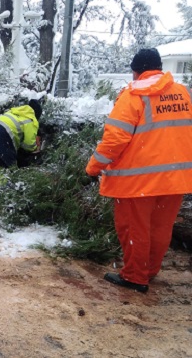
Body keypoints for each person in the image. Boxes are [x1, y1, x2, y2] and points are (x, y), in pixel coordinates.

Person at [86, 48, 192, 293]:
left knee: (135, 229)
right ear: (159, 68)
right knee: (160, 229)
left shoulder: (134, 95)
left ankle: (135, 276)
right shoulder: (184, 94)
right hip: (176, 178)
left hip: (137, 182)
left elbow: (113, 141)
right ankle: (149, 271)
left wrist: (92, 168)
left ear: (136, 71)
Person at [0, 99, 42, 167]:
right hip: (0, 141)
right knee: (10, 168)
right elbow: (29, 145)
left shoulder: (13, 111)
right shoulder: (31, 120)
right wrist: (36, 148)